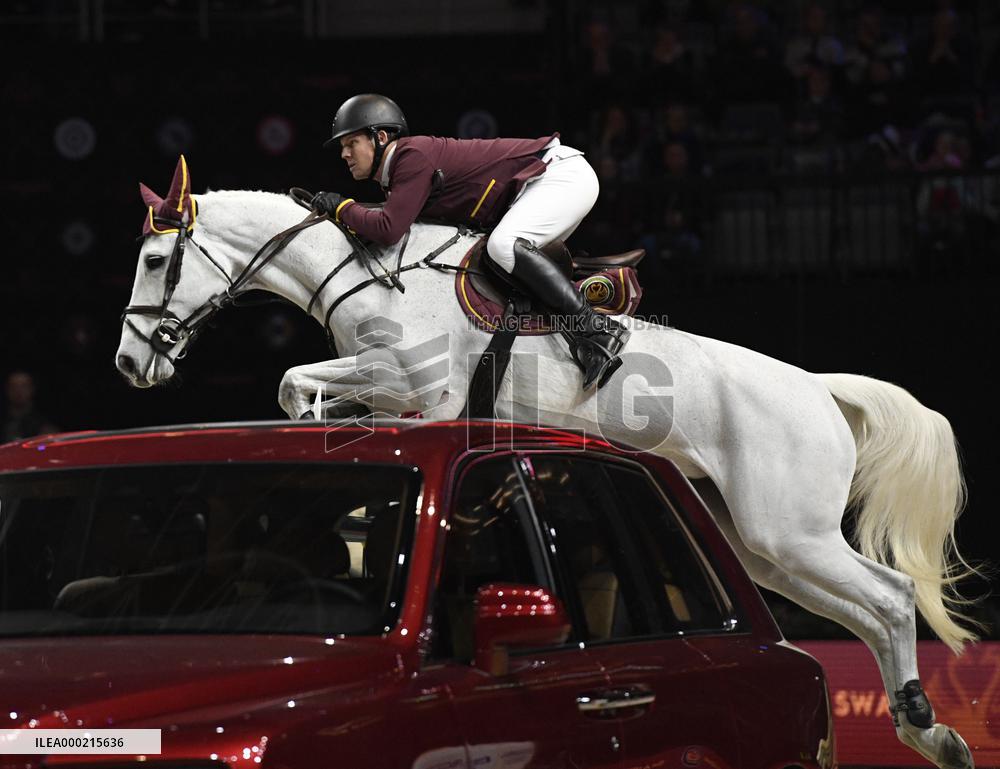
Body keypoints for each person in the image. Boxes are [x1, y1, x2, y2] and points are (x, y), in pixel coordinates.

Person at [311, 94, 629, 390]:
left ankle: (598, 331)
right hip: (547, 183)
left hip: (560, 175)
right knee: (505, 267)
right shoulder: (399, 173)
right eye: (343, 146)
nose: (344, 154)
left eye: (352, 142)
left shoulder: (410, 155)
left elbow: (388, 228)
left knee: (502, 247)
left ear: (381, 137)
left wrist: (342, 207)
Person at [1, 371, 58, 443]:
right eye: (14, 386)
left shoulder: (44, 424)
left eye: (24, 386)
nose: (18, 391)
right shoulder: (4, 421)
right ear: (7, 390)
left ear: (32, 389)